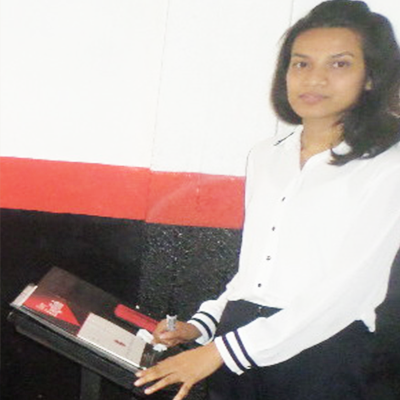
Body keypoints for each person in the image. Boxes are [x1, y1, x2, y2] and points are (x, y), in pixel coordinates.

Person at [135, 1, 400, 399]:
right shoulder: (266, 156)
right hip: (240, 341)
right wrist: (202, 326)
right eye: (301, 63)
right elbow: (255, 274)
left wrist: (220, 352)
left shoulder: (388, 165)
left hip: (322, 354)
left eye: (339, 64)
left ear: (371, 78)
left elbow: (347, 295)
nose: (315, 78)